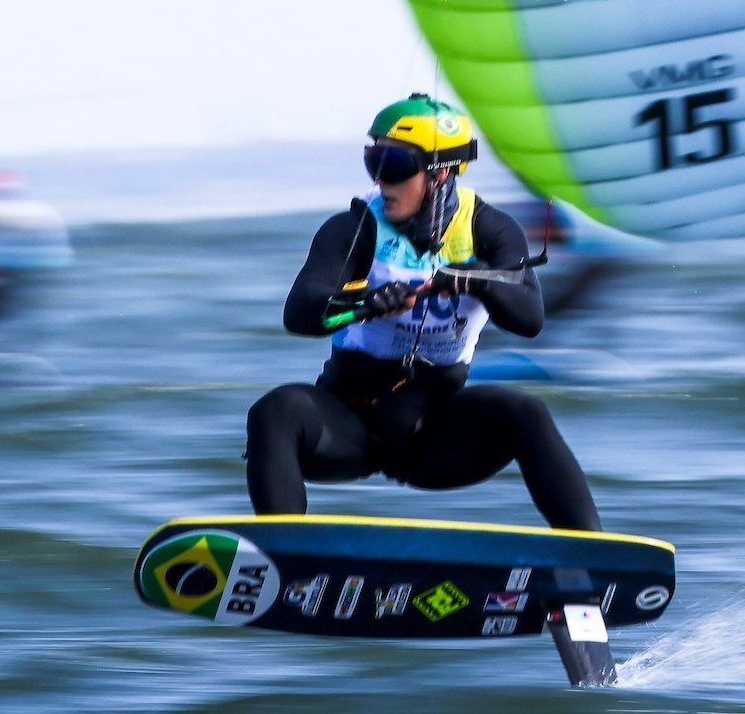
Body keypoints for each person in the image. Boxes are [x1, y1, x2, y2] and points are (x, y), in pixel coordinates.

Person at [245, 93, 602, 532]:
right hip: (348, 424)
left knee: (526, 412)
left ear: (441, 172)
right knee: (274, 411)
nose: (381, 181)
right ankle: (280, 558)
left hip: (435, 435)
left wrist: (476, 279)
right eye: (372, 161)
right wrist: (363, 304)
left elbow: (529, 320)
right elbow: (299, 313)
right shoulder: (354, 228)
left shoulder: (491, 232)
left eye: (394, 166)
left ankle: (590, 556)